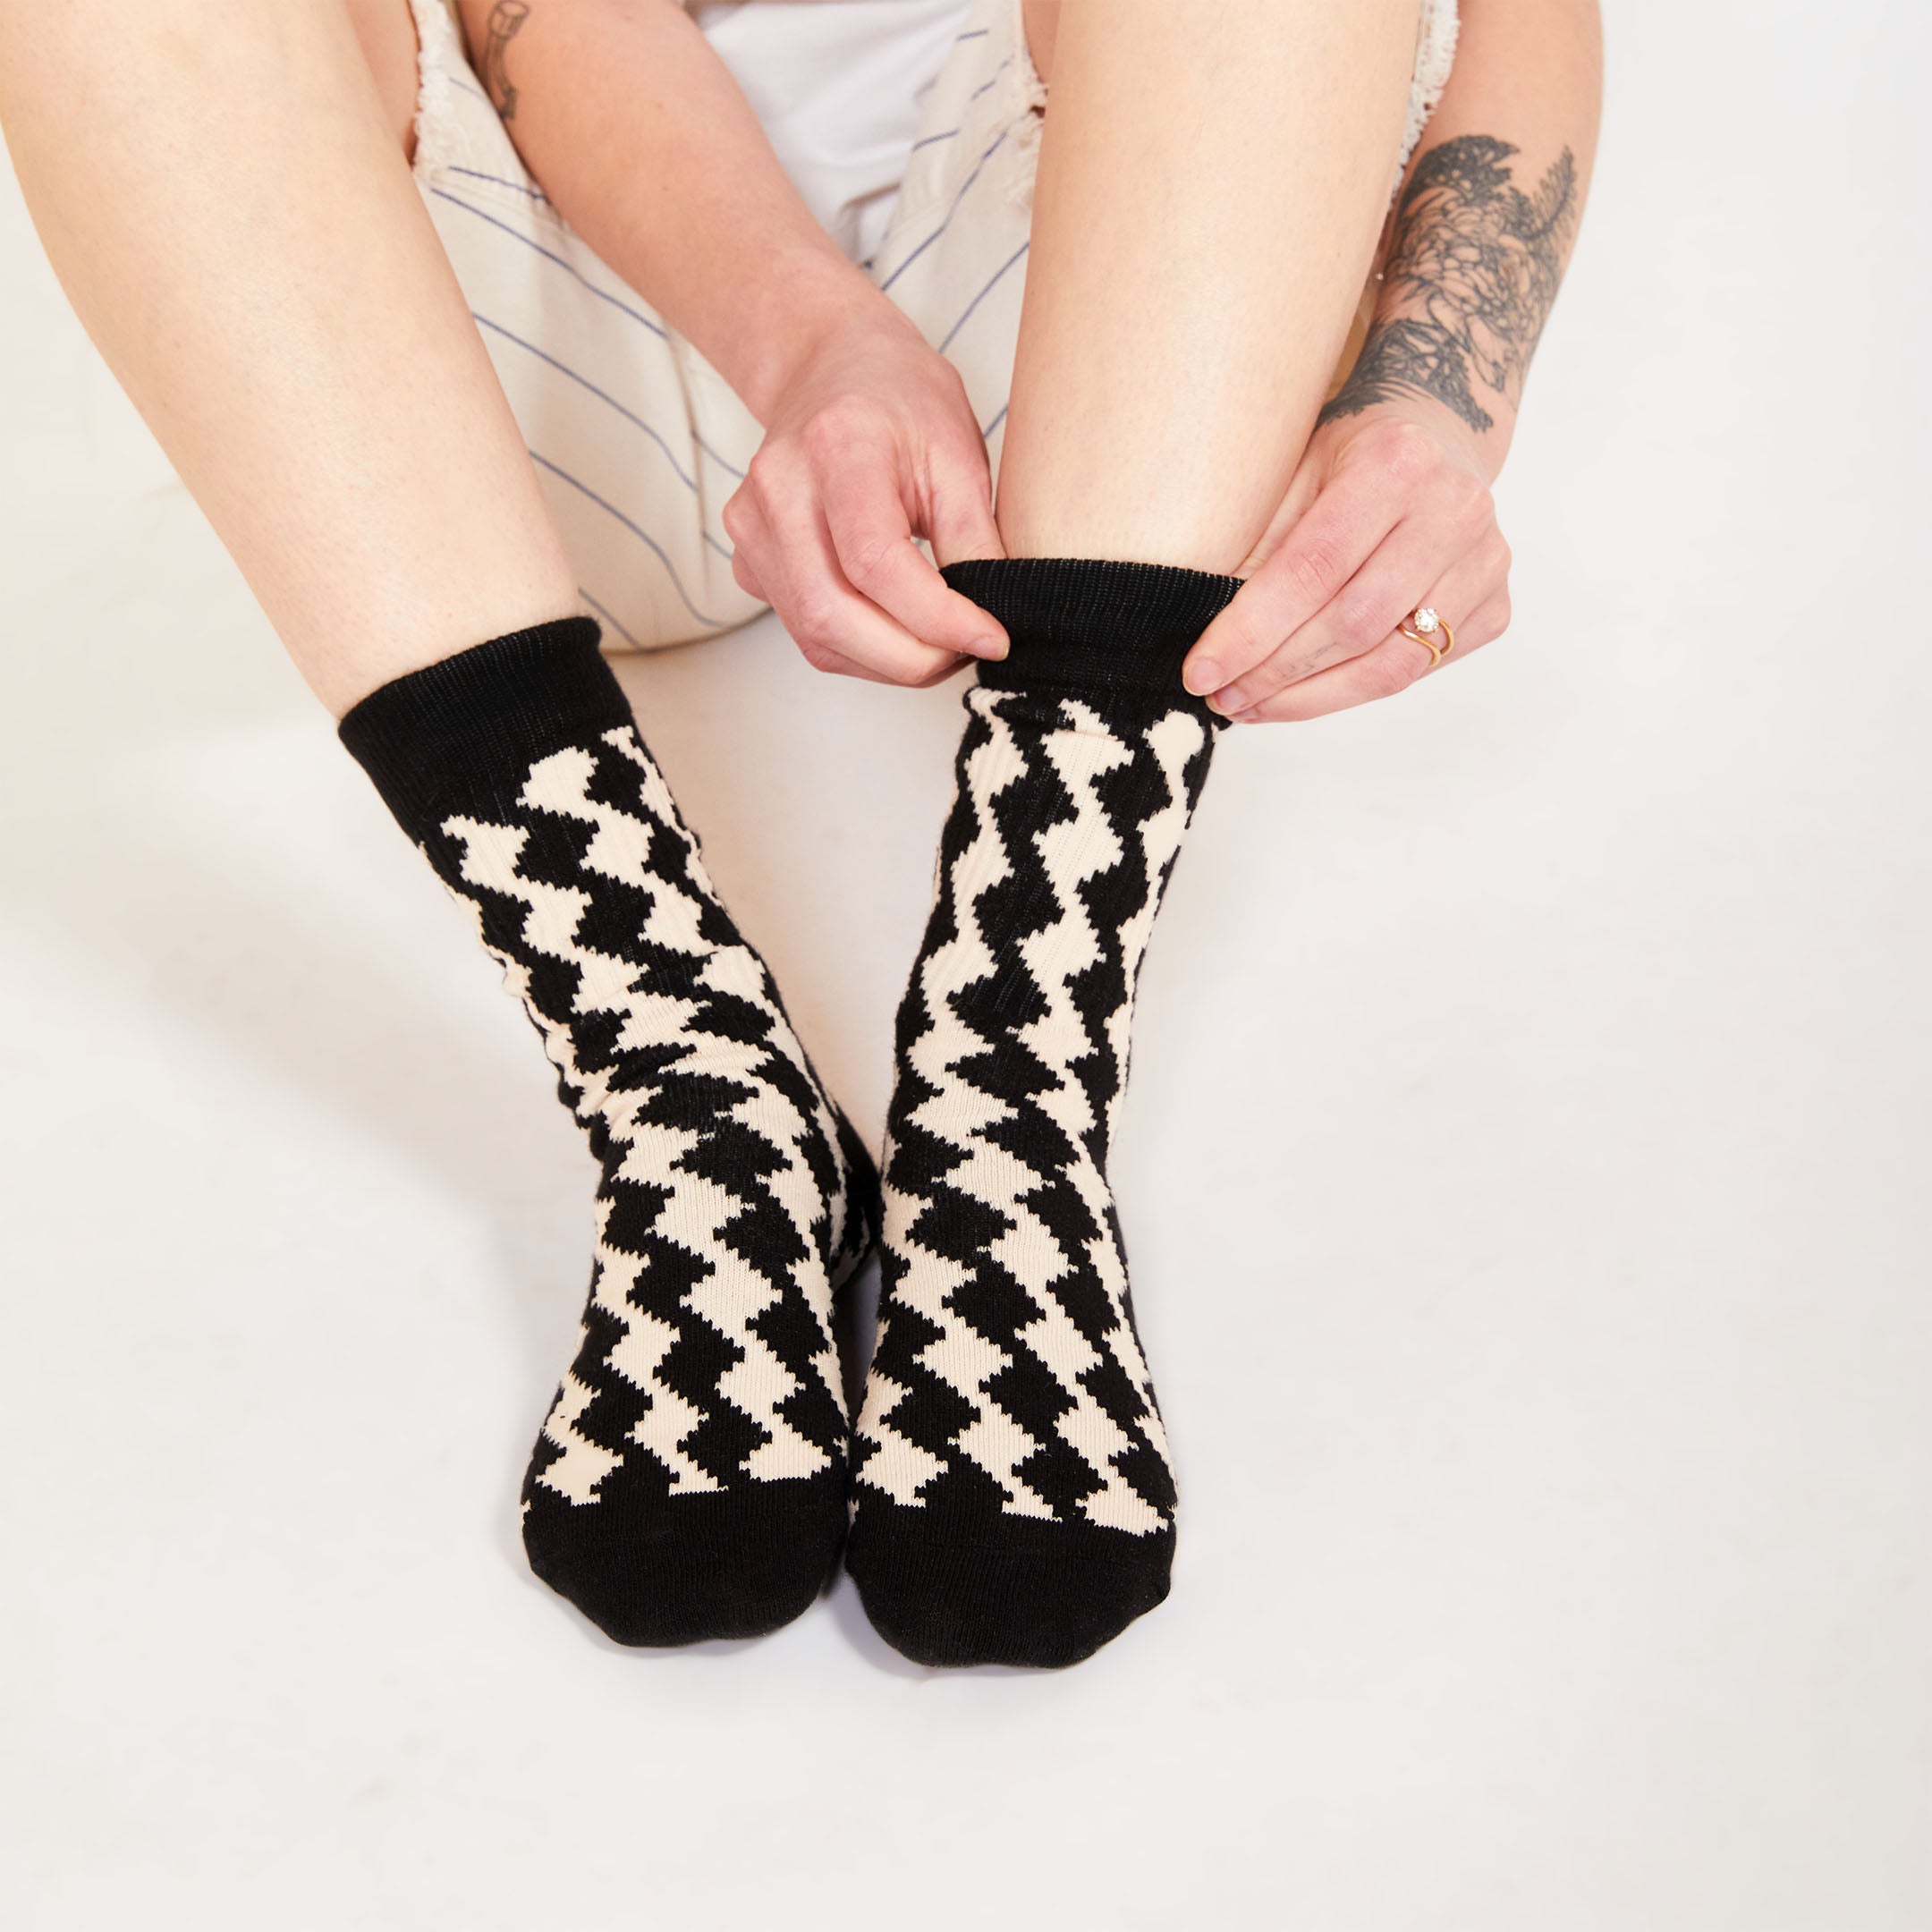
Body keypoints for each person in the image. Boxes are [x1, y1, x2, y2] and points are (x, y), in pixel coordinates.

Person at [0, 0, 1602, 1668]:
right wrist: (809, 340)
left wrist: (1438, 397)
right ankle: (689, 1075)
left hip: (1119, 351)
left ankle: (1013, 1079)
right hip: (524, 361)